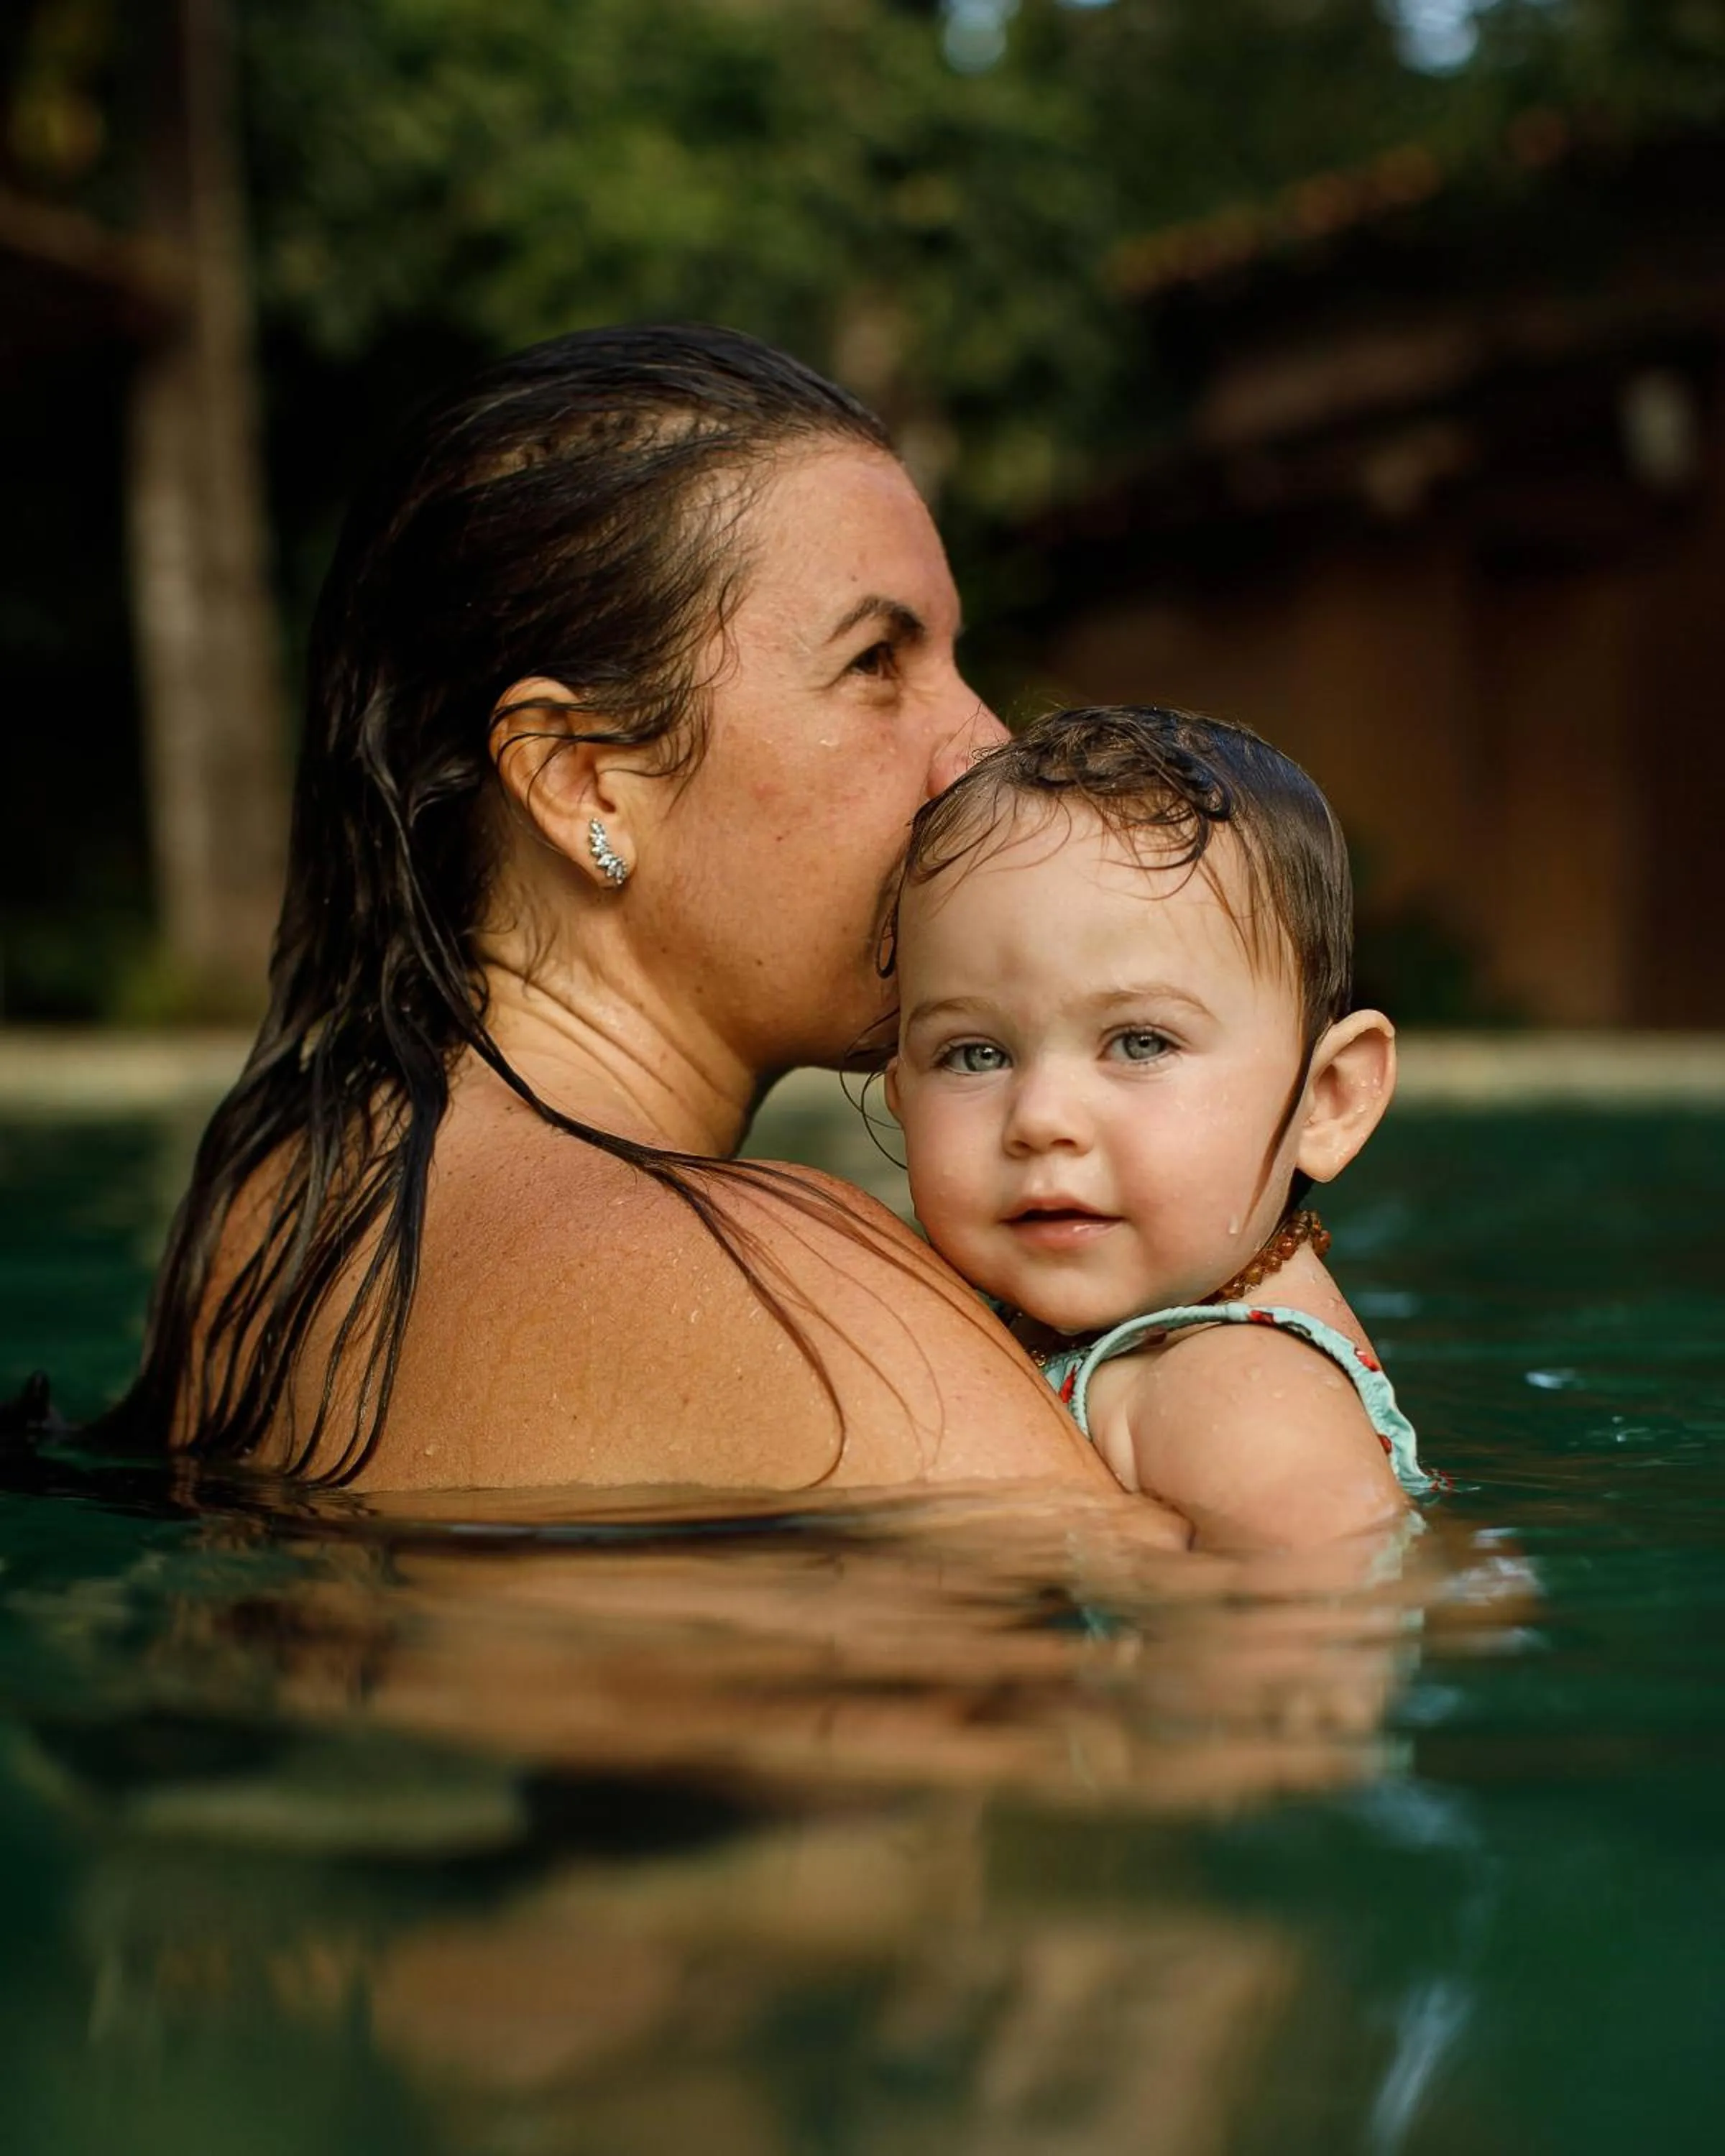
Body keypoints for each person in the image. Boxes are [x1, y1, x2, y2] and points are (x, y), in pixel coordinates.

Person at [121, 325, 1148, 1507]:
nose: (985, 750)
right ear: (580, 782)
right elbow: (1236, 1668)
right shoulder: (780, 1289)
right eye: (877, 665)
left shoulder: (275, 1212)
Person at [884, 706, 1443, 1552]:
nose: (1040, 1120)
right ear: (899, 1096)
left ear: (1326, 1100)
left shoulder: (1231, 1388)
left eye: (1140, 1043)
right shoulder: (1157, 1337)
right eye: (974, 1055)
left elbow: (1302, 1649)